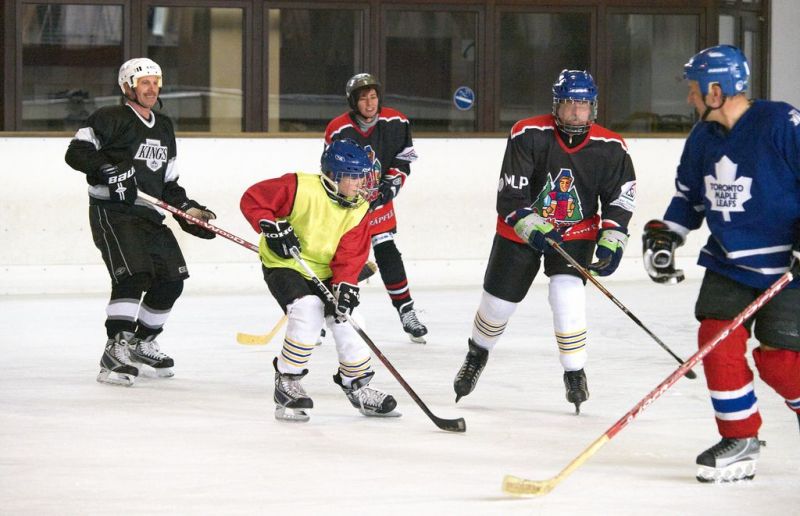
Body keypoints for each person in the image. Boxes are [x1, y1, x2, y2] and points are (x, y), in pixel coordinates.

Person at [642, 45, 800, 483]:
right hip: (729, 261)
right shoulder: (702, 139)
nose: (689, 99)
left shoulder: (781, 122)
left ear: (717, 90)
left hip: (789, 266)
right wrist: (667, 235)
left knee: (781, 361)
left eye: (694, 91)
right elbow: (689, 198)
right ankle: (740, 439)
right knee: (716, 339)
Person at [452, 69, 636, 414]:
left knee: (567, 294)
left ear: (593, 108)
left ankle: (575, 372)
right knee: (498, 305)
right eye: (570, 105)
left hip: (575, 232)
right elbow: (510, 196)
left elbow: (619, 198)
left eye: (583, 106)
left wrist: (612, 238)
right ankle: (477, 354)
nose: (577, 113)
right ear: (557, 106)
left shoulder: (611, 147)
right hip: (519, 233)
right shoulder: (528, 133)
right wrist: (532, 225)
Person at [64, 57, 217, 386]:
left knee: (171, 281)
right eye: (144, 82)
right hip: (114, 212)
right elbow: (76, 152)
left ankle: (141, 341)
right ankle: (116, 345)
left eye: (155, 81)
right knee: (133, 275)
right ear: (127, 87)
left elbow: (169, 185)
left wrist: (189, 210)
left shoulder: (164, 126)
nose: (152, 88)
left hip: (150, 215)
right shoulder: (109, 117)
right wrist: (108, 169)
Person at [240, 138, 400, 422]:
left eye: (362, 176)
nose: (360, 183)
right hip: (285, 264)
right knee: (307, 309)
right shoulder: (299, 187)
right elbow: (253, 199)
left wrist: (346, 284)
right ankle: (287, 382)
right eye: (353, 177)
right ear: (333, 176)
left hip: (326, 270)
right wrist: (269, 223)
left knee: (349, 319)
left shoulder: (359, 207)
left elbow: (351, 254)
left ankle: (358, 385)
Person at [324, 73, 428, 344]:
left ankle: (407, 311)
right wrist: (345, 196)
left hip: (380, 200)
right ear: (352, 102)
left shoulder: (396, 121)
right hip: (347, 204)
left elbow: (403, 161)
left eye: (373, 97)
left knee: (387, 251)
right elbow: (328, 168)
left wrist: (389, 187)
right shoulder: (338, 129)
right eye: (363, 99)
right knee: (336, 258)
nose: (370, 103)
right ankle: (321, 315)